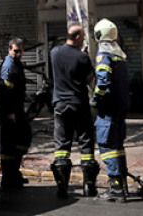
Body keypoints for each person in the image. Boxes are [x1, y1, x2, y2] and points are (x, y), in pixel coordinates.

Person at [50, 24, 98, 198]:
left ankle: (62, 186)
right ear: (77, 37)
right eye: (83, 37)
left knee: (62, 145)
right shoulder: (82, 57)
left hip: (60, 105)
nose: (84, 39)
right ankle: (89, 186)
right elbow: (89, 79)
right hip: (79, 104)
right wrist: (85, 56)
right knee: (85, 142)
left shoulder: (54, 52)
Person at [92, 19, 131, 202]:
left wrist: (96, 98)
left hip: (108, 109)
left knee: (107, 146)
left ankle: (115, 188)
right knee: (118, 147)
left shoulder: (104, 54)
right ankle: (122, 184)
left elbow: (103, 80)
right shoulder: (119, 54)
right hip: (120, 107)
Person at [0, 38, 32, 190]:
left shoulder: (17, 65)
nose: (18, 53)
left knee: (22, 140)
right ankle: (8, 178)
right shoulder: (8, 66)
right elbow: (5, 91)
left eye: (20, 50)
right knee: (8, 145)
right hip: (9, 111)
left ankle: (14, 173)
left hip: (17, 108)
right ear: (9, 50)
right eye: (15, 50)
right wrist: (9, 112)